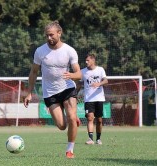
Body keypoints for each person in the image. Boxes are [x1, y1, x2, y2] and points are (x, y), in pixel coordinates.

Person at [23, 20, 81, 159]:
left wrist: (72, 75)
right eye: (47, 36)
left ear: (59, 33)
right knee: (62, 126)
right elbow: (34, 72)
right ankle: (71, 120)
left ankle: (70, 150)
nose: (49, 38)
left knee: (72, 118)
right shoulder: (40, 51)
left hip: (67, 88)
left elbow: (79, 74)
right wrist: (29, 93)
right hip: (50, 92)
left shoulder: (69, 50)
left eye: (51, 35)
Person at [78, 53, 108, 145]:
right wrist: (75, 93)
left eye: (88, 60)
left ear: (93, 60)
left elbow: (106, 81)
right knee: (90, 118)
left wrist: (98, 84)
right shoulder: (83, 71)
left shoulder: (100, 70)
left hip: (99, 98)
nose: (86, 62)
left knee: (99, 120)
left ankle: (98, 139)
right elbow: (79, 84)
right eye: (86, 60)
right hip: (88, 99)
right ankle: (90, 139)